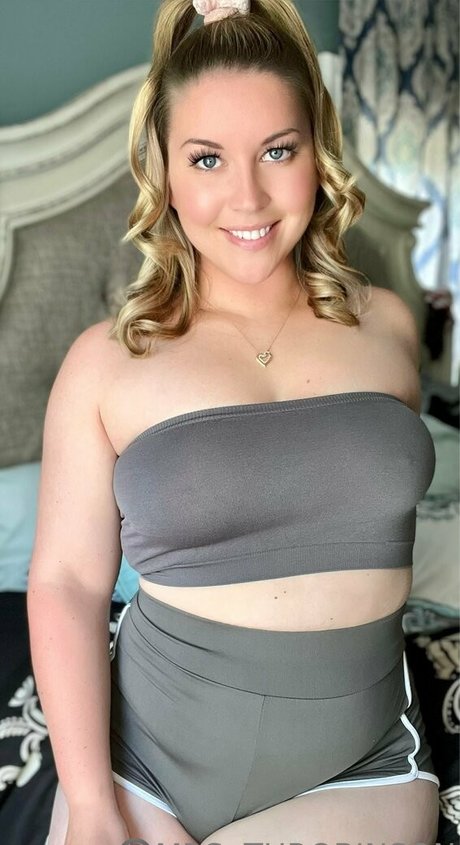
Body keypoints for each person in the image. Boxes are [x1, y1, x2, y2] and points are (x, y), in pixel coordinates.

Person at [27, 1, 441, 843]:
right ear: (165, 172)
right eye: (207, 158)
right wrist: (93, 804)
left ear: (317, 153)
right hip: (142, 766)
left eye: (278, 151)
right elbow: (67, 582)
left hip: (363, 764)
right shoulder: (105, 362)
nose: (246, 196)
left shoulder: (390, 327)